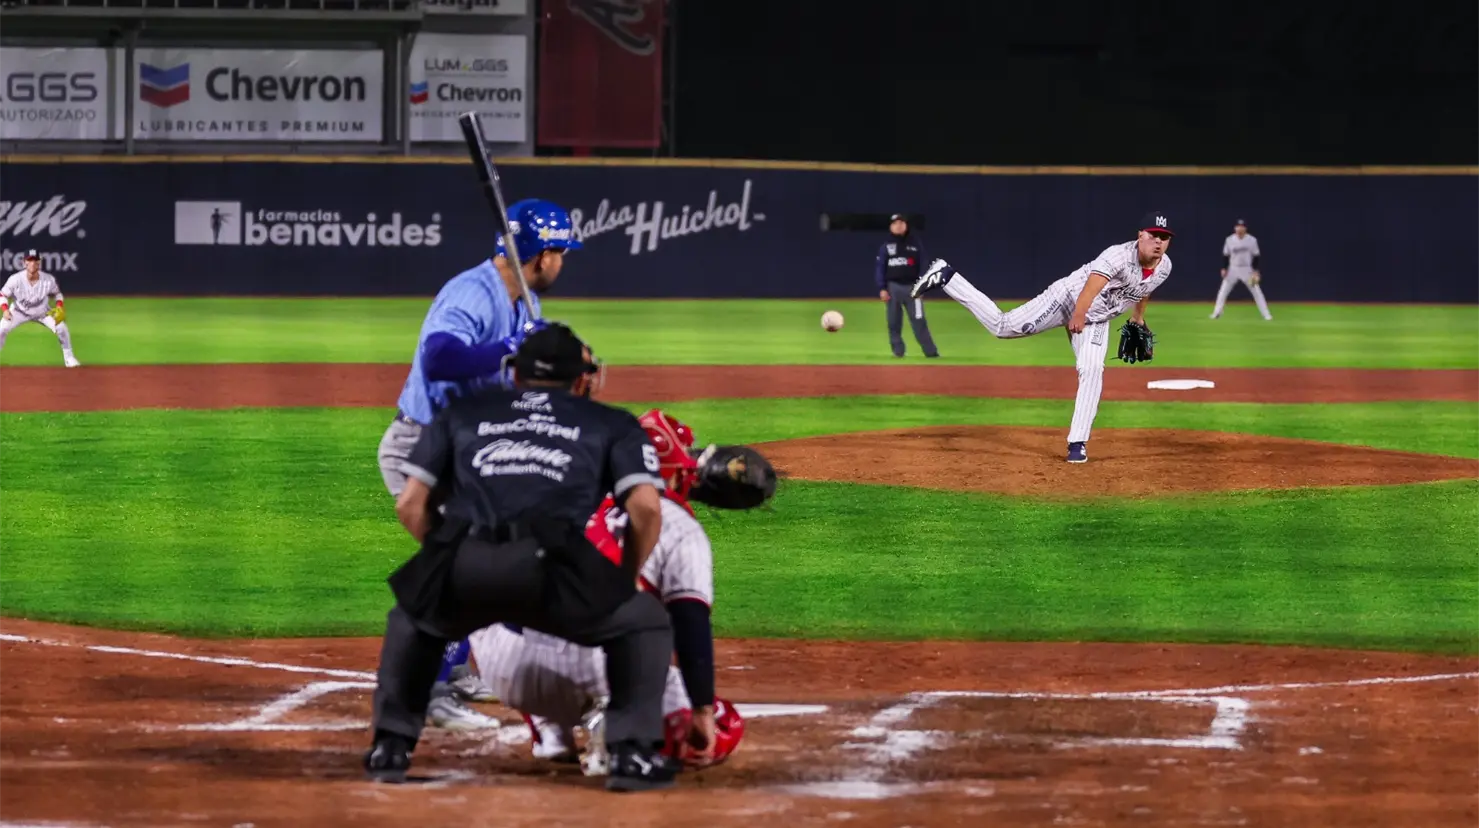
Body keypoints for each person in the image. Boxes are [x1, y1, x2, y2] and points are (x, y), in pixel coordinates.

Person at [363, 322, 683, 792]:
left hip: (468, 557)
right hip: (556, 566)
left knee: (412, 620)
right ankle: (631, 754)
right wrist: (625, 578)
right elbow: (646, 509)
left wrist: (447, 559)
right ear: (582, 380)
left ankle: (390, 747)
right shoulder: (612, 422)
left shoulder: (461, 413)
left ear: (514, 374)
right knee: (645, 623)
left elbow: (410, 504)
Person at [377, 198, 582, 732]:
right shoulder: (473, 292)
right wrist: (510, 346)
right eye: (561, 253)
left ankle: (458, 671)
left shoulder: (522, 302)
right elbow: (438, 357)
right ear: (542, 255)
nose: (563, 263)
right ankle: (428, 692)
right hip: (421, 449)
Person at [467, 409, 761, 776]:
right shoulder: (676, 524)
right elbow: (691, 623)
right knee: (721, 722)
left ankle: (550, 731)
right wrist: (701, 710)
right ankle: (611, 728)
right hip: (591, 669)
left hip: (503, 667)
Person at [911, 212, 1175, 464]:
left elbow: (1143, 289)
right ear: (1140, 235)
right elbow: (1092, 284)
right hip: (1068, 299)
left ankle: (1077, 443)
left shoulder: (1164, 267)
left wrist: (1137, 318)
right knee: (1003, 327)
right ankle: (948, 277)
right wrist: (1078, 314)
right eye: (1153, 235)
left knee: (1092, 368)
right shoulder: (1117, 256)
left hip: (1097, 317)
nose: (1158, 241)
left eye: (1164, 237)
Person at [874, 214, 940, 359]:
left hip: (913, 288)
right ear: (891, 227)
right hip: (893, 288)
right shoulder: (886, 246)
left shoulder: (915, 244)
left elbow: (923, 265)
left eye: (901, 223)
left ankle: (931, 352)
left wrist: (922, 285)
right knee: (893, 322)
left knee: (919, 320)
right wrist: (882, 288)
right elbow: (880, 268)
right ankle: (898, 352)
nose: (898, 226)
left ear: (906, 225)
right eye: (895, 223)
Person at [0, 249, 80, 367]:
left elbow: (57, 294)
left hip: (42, 312)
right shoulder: (15, 279)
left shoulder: (48, 279)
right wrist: (5, 309)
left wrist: (59, 306)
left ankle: (69, 358)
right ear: (24, 263)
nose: (32, 263)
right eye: (29, 260)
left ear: (39, 262)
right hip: (19, 311)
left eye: (35, 260)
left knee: (61, 327)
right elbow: (2, 295)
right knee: (2, 328)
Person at [1211, 218, 1272, 320]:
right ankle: (1216, 313)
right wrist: (1224, 268)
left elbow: (1256, 256)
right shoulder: (1229, 240)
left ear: (1245, 229)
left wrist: (1255, 270)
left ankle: (1266, 315)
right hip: (1233, 269)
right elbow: (1226, 255)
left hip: (1247, 269)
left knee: (1257, 292)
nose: (1240, 228)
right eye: (1238, 226)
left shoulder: (1252, 240)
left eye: (1242, 227)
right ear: (1235, 228)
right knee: (1223, 291)